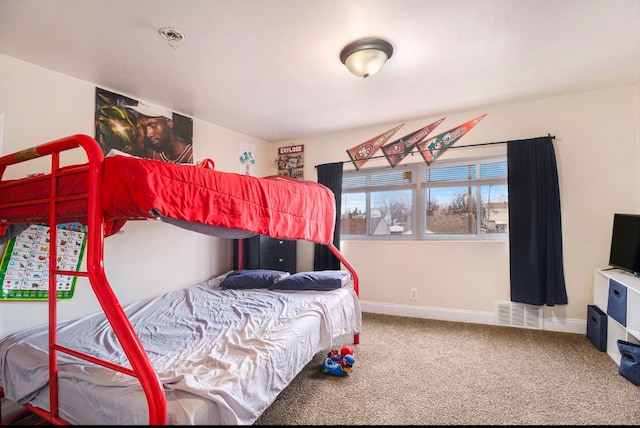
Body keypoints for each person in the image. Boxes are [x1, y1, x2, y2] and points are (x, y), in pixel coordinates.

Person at [129, 103, 193, 164]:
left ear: (169, 122)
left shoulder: (193, 156)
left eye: (153, 125)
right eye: (144, 127)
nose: (148, 134)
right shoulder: (149, 152)